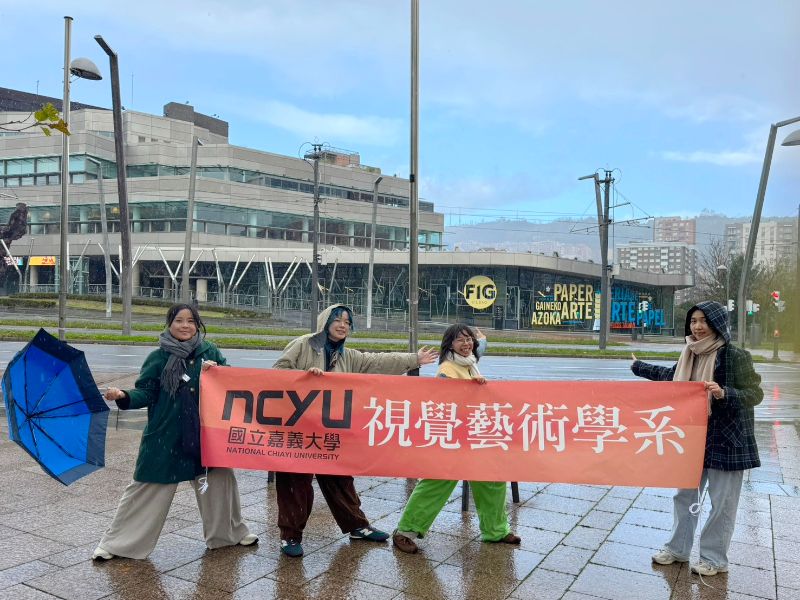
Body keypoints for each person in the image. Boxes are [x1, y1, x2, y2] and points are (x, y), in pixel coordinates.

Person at [271, 303, 439, 558]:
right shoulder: (303, 344)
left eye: (347, 322)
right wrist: (304, 375)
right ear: (325, 322)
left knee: (340, 478)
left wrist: (414, 359)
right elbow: (277, 372)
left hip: (329, 430)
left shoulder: (348, 356)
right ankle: (290, 536)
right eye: (337, 320)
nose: (342, 325)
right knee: (295, 483)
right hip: (298, 429)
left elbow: (378, 361)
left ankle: (356, 526)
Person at [93, 304, 257, 560]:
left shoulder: (209, 351)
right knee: (147, 487)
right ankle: (118, 544)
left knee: (219, 484)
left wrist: (218, 372)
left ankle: (229, 535)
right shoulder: (157, 358)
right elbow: (146, 393)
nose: (185, 326)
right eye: (179, 320)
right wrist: (123, 395)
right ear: (169, 324)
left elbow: (230, 384)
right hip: (165, 434)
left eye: (191, 321)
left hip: (205, 434)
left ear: (198, 325)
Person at [631, 301, 762, 576]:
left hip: (726, 439)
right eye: (693, 321)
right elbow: (673, 378)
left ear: (717, 323)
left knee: (721, 503)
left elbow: (754, 393)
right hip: (692, 436)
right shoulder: (689, 353)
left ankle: (714, 559)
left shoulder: (735, 355)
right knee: (684, 495)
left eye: (704, 321)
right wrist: (640, 367)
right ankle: (677, 549)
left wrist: (725, 393)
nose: (698, 327)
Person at [392, 323, 521, 554]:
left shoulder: (470, 363)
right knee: (437, 483)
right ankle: (405, 531)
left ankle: (496, 531)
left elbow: (480, 349)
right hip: (453, 437)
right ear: (450, 344)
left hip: (474, 435)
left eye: (469, 339)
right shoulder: (447, 370)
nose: (467, 344)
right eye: (461, 340)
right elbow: (443, 402)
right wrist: (471, 390)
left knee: (491, 479)